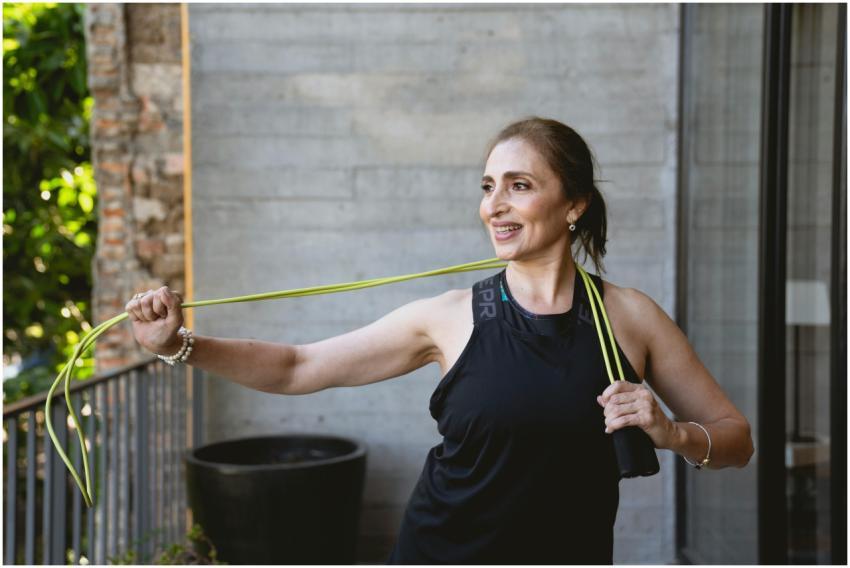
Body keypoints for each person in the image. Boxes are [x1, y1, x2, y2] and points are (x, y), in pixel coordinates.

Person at [125, 116, 755, 564]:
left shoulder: (632, 319)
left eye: (519, 185)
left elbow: (737, 439)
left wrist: (672, 434)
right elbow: (297, 367)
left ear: (574, 205)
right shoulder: (450, 318)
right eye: (488, 186)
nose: (494, 205)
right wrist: (180, 343)